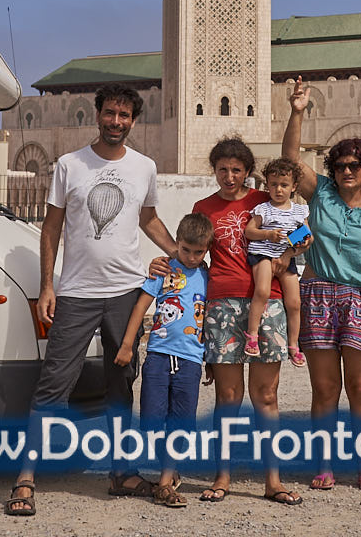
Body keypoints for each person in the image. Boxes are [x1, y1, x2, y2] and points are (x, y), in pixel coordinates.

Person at [6, 86, 175, 518]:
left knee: (122, 383)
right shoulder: (69, 165)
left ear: (133, 120)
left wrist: (180, 255)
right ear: (97, 115)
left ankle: (122, 473)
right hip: (77, 293)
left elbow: (147, 218)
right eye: (110, 113)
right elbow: (51, 228)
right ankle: (25, 477)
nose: (116, 121)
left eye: (124, 115)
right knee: (53, 384)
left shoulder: (145, 167)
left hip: (126, 292)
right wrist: (48, 285)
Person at [280, 78, 361, 493]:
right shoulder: (323, 194)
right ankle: (324, 465)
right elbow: (290, 161)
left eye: (355, 165)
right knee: (325, 388)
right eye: (341, 165)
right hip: (319, 297)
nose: (347, 171)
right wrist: (297, 112)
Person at [190, 136, 299, 505]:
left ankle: (273, 480)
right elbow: (192, 253)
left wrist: (287, 253)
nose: (230, 176)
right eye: (223, 169)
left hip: (267, 303)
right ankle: (222, 476)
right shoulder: (203, 207)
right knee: (228, 396)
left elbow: (299, 230)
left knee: (266, 395)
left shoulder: (263, 201)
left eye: (237, 169)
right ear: (215, 170)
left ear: (248, 172)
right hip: (222, 304)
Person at [113, 213, 214, 508]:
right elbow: (141, 306)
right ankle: (167, 470)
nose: (192, 257)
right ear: (177, 244)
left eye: (199, 252)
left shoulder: (208, 277)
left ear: (206, 249)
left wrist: (209, 359)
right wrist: (128, 345)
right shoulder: (164, 271)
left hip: (191, 359)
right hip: (158, 355)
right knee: (154, 420)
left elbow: (207, 319)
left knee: (181, 421)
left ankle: (166, 481)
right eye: (186, 250)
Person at [241, 156, 308, 366]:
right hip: (263, 255)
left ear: (294, 187)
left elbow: (306, 233)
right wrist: (268, 235)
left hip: (286, 258)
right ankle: (252, 335)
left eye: (284, 185)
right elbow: (249, 231)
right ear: (267, 185)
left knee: (295, 302)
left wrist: (292, 244)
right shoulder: (264, 209)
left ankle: (294, 345)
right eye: (274, 185)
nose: (279, 190)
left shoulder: (299, 210)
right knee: (262, 291)